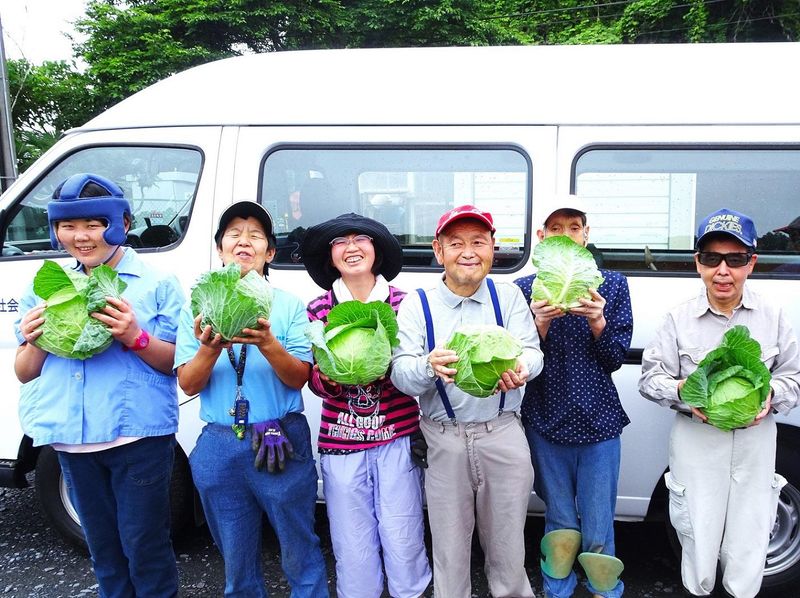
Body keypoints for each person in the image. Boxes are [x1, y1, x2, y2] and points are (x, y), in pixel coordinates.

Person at [14, 173, 184, 597]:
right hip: (72, 441)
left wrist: (134, 336)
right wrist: (34, 340)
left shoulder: (157, 284)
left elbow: (176, 365)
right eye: (68, 226)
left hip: (138, 437)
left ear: (122, 223)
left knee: (146, 548)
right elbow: (25, 370)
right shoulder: (46, 286)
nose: (81, 236)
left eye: (93, 224)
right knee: (104, 553)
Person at [639, 207, 800, 598]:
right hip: (697, 439)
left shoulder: (774, 316)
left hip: (755, 441)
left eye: (736, 259)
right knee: (696, 534)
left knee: (750, 537)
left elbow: (792, 377)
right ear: (698, 263)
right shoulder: (678, 319)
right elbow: (649, 379)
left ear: (752, 263)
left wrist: (770, 400)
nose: (723, 270)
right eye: (712, 259)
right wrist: (686, 393)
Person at [175, 201, 328, 598]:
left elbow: (300, 378)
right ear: (220, 249)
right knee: (236, 556)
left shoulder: (290, 306)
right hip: (219, 443)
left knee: (299, 547)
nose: (244, 241)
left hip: (279, 437)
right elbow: (189, 385)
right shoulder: (198, 307)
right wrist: (209, 349)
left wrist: (268, 343)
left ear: (269, 252)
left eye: (256, 235)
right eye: (234, 235)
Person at [391, 204, 543, 598]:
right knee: (449, 549)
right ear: (438, 251)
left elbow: (532, 352)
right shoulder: (416, 304)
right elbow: (401, 373)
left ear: (493, 248)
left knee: (509, 548)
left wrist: (521, 369)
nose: (469, 251)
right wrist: (427, 366)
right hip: (442, 438)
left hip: (504, 433)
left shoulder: (507, 296)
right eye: (456, 243)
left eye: (479, 241)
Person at [301, 213, 432, 598]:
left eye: (361, 239)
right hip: (340, 443)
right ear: (331, 258)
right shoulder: (317, 308)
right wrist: (333, 377)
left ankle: (410, 592)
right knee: (350, 536)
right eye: (340, 242)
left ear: (377, 250)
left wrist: (389, 369)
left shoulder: (405, 304)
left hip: (398, 435)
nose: (351, 247)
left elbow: (415, 367)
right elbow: (312, 375)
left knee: (403, 527)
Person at [514, 203, 632, 598]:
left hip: (600, 422)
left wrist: (598, 321)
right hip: (545, 419)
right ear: (542, 237)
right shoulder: (525, 289)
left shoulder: (612, 285)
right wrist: (539, 323)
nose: (566, 234)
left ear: (586, 234)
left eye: (574, 227)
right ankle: (556, 589)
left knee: (599, 524)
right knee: (560, 521)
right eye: (555, 228)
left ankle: (605, 590)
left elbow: (615, 358)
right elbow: (519, 365)